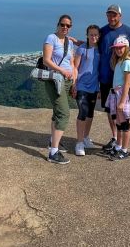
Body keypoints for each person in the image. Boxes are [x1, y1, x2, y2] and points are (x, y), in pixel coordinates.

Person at [98, 4, 130, 159]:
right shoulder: (103, 31)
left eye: (114, 15)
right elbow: (92, 43)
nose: (111, 18)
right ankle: (116, 140)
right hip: (108, 81)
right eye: (109, 15)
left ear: (120, 16)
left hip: (124, 82)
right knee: (112, 113)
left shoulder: (129, 32)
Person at [42, 14, 76, 164]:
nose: (65, 27)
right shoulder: (51, 38)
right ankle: (53, 153)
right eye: (63, 24)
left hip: (67, 81)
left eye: (68, 26)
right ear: (58, 24)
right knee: (64, 113)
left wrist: (74, 81)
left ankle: (52, 141)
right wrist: (62, 71)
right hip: (55, 79)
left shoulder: (69, 42)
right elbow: (46, 60)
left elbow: (72, 63)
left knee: (57, 112)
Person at [70, 25, 100, 156]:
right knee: (82, 112)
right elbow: (75, 68)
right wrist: (74, 84)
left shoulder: (101, 49)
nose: (93, 37)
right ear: (87, 35)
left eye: (96, 34)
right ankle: (79, 142)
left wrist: (99, 88)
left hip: (94, 86)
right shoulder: (82, 48)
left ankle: (86, 137)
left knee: (90, 114)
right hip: (82, 85)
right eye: (91, 34)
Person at [106, 36, 130, 160]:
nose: (118, 50)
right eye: (116, 48)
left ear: (126, 47)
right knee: (118, 123)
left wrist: (122, 102)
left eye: (121, 47)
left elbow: (127, 84)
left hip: (123, 95)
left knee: (125, 125)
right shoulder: (120, 61)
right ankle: (118, 146)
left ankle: (124, 150)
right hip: (116, 94)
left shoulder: (127, 62)